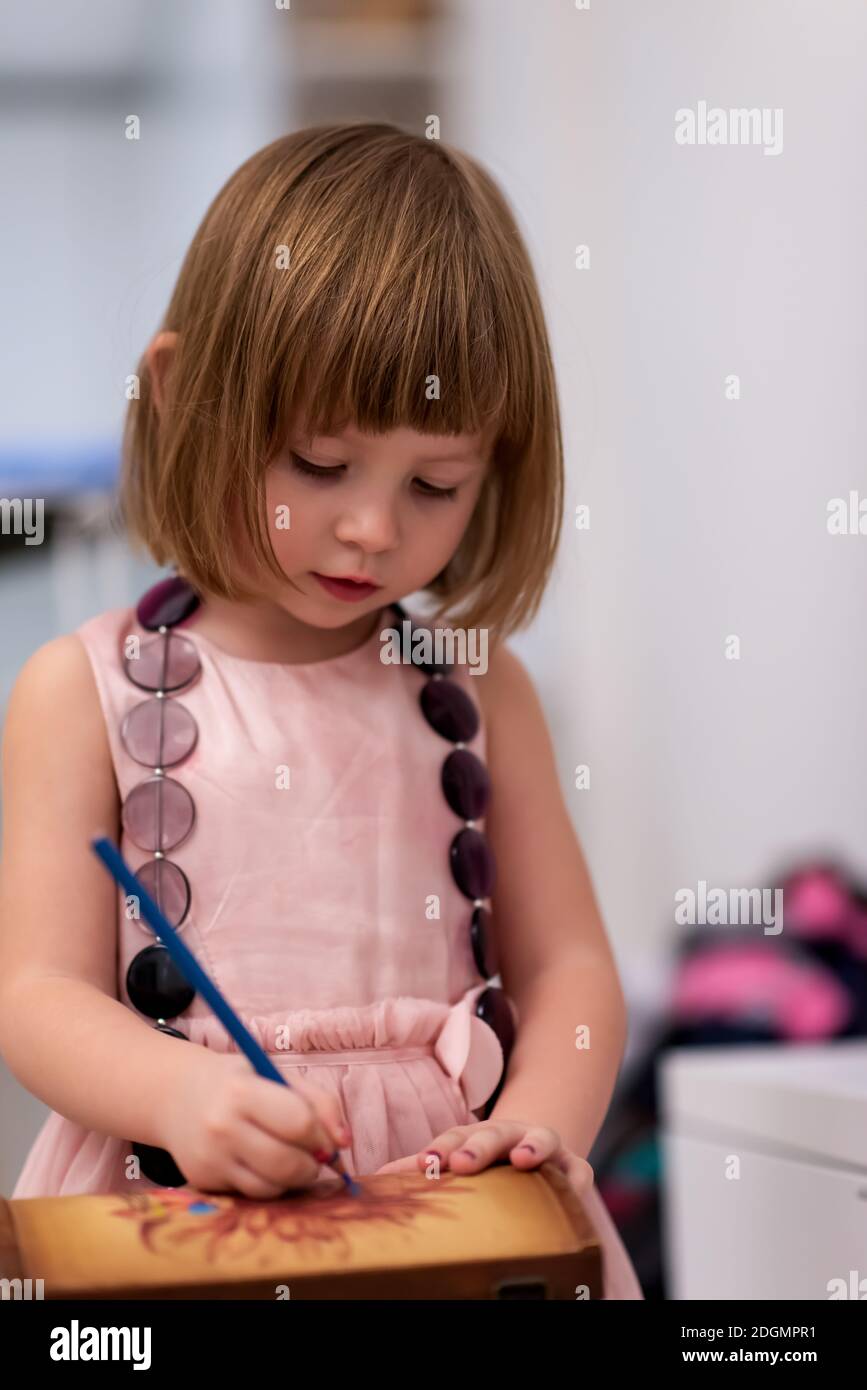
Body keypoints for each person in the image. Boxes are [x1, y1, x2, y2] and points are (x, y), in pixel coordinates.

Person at [0, 123, 642, 1299]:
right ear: (185, 391)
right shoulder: (73, 691)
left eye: (434, 485)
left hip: (454, 1215)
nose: (371, 529)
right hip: (178, 1208)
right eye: (317, 462)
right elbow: (33, 994)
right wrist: (177, 1093)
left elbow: (570, 972)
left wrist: (538, 1136)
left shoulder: (480, 686)